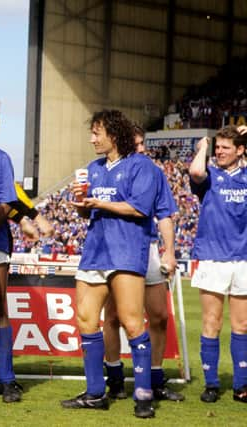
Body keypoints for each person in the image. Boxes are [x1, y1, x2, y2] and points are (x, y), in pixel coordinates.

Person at [60, 110, 158, 419]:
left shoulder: (142, 166)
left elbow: (141, 208)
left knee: (131, 322)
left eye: (96, 133)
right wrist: (81, 206)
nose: (91, 139)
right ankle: (94, 393)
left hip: (126, 252)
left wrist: (100, 203)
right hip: (95, 252)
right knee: (86, 319)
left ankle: (143, 395)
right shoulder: (94, 168)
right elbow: (89, 214)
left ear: (113, 135)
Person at [0, 97, 53, 396]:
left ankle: (5, 378)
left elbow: (7, 199)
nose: (0, 122)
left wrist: (27, 218)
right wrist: (31, 218)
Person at [102, 124, 184, 402]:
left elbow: (164, 213)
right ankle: (114, 379)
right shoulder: (107, 171)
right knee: (113, 316)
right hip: (116, 249)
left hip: (147, 249)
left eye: (141, 145)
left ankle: (155, 379)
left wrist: (169, 251)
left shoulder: (152, 172)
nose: (140, 150)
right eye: (135, 145)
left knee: (159, 316)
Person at [189, 126, 247, 404]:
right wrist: (203, 147)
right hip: (212, 257)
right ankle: (211, 384)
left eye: (226, 147)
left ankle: (241, 385)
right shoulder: (209, 176)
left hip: (244, 259)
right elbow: (196, 172)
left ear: (240, 150)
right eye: (218, 147)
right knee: (211, 321)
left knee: (242, 325)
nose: (220, 152)